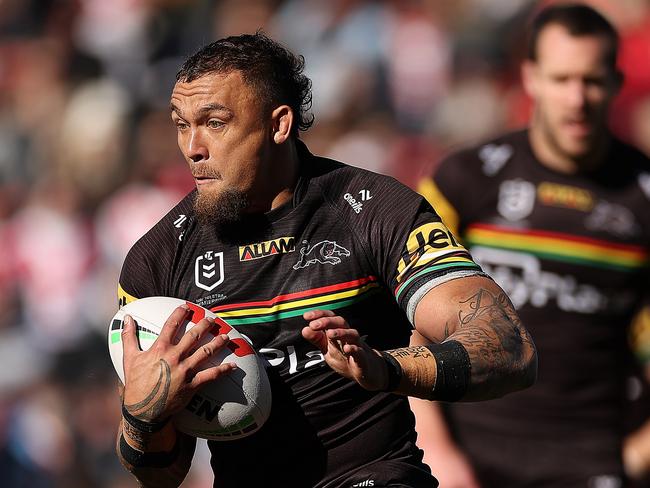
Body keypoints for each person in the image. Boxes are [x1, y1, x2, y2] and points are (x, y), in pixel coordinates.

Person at [113, 32, 537, 488]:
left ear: (279, 125)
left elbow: (511, 347)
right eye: (181, 124)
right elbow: (161, 474)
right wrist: (142, 417)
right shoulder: (156, 260)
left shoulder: (374, 210)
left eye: (215, 122)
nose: (192, 148)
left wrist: (387, 369)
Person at [414, 4, 650, 487]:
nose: (576, 99)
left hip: (592, 460)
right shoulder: (463, 180)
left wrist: (633, 461)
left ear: (617, 82)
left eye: (592, 80)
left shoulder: (644, 196)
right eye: (561, 79)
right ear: (530, 78)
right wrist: (436, 450)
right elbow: (404, 318)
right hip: (467, 460)